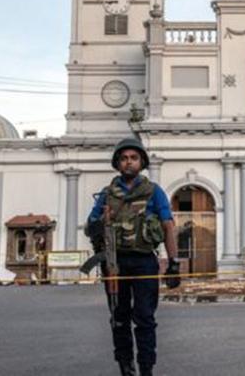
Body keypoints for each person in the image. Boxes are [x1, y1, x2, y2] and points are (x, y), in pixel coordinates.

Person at [84, 137, 180, 376]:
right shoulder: (107, 195)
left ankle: (146, 368)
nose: (129, 162)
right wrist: (99, 223)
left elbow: (168, 225)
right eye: (124, 158)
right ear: (118, 163)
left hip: (144, 261)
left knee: (145, 318)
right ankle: (126, 367)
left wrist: (174, 263)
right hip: (114, 264)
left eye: (134, 158)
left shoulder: (153, 192)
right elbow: (90, 226)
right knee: (119, 317)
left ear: (142, 162)